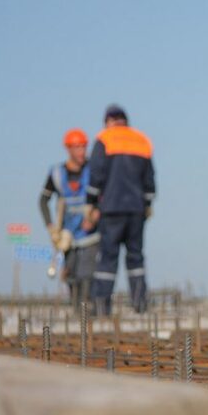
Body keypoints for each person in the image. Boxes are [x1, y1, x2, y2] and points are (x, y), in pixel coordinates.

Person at [86, 105, 155, 315]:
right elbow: (150, 179)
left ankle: (101, 307)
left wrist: (92, 203)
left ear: (108, 121)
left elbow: (96, 175)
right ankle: (140, 303)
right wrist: (148, 204)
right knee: (136, 257)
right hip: (136, 209)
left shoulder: (104, 139)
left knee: (108, 257)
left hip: (111, 209)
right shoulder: (141, 140)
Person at [39, 128, 100, 308]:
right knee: (71, 273)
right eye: (77, 147)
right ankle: (76, 312)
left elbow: (105, 195)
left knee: (86, 274)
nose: (82, 151)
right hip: (68, 234)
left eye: (84, 147)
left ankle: (88, 314)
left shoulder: (94, 170)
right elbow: (43, 200)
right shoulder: (57, 174)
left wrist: (95, 215)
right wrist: (51, 227)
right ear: (68, 149)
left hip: (91, 233)